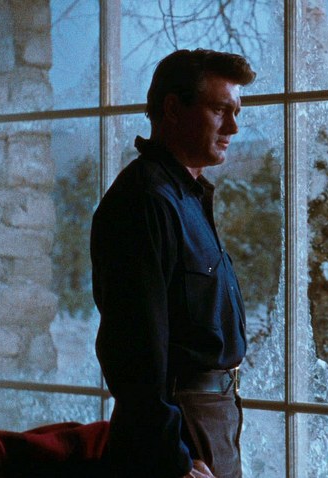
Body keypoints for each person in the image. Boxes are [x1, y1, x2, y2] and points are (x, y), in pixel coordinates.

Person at [90, 49, 256, 478]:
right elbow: (132, 351)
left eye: (236, 112)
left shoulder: (187, 196)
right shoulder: (145, 201)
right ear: (173, 109)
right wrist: (173, 460)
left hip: (210, 421)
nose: (233, 127)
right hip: (180, 433)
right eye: (219, 110)